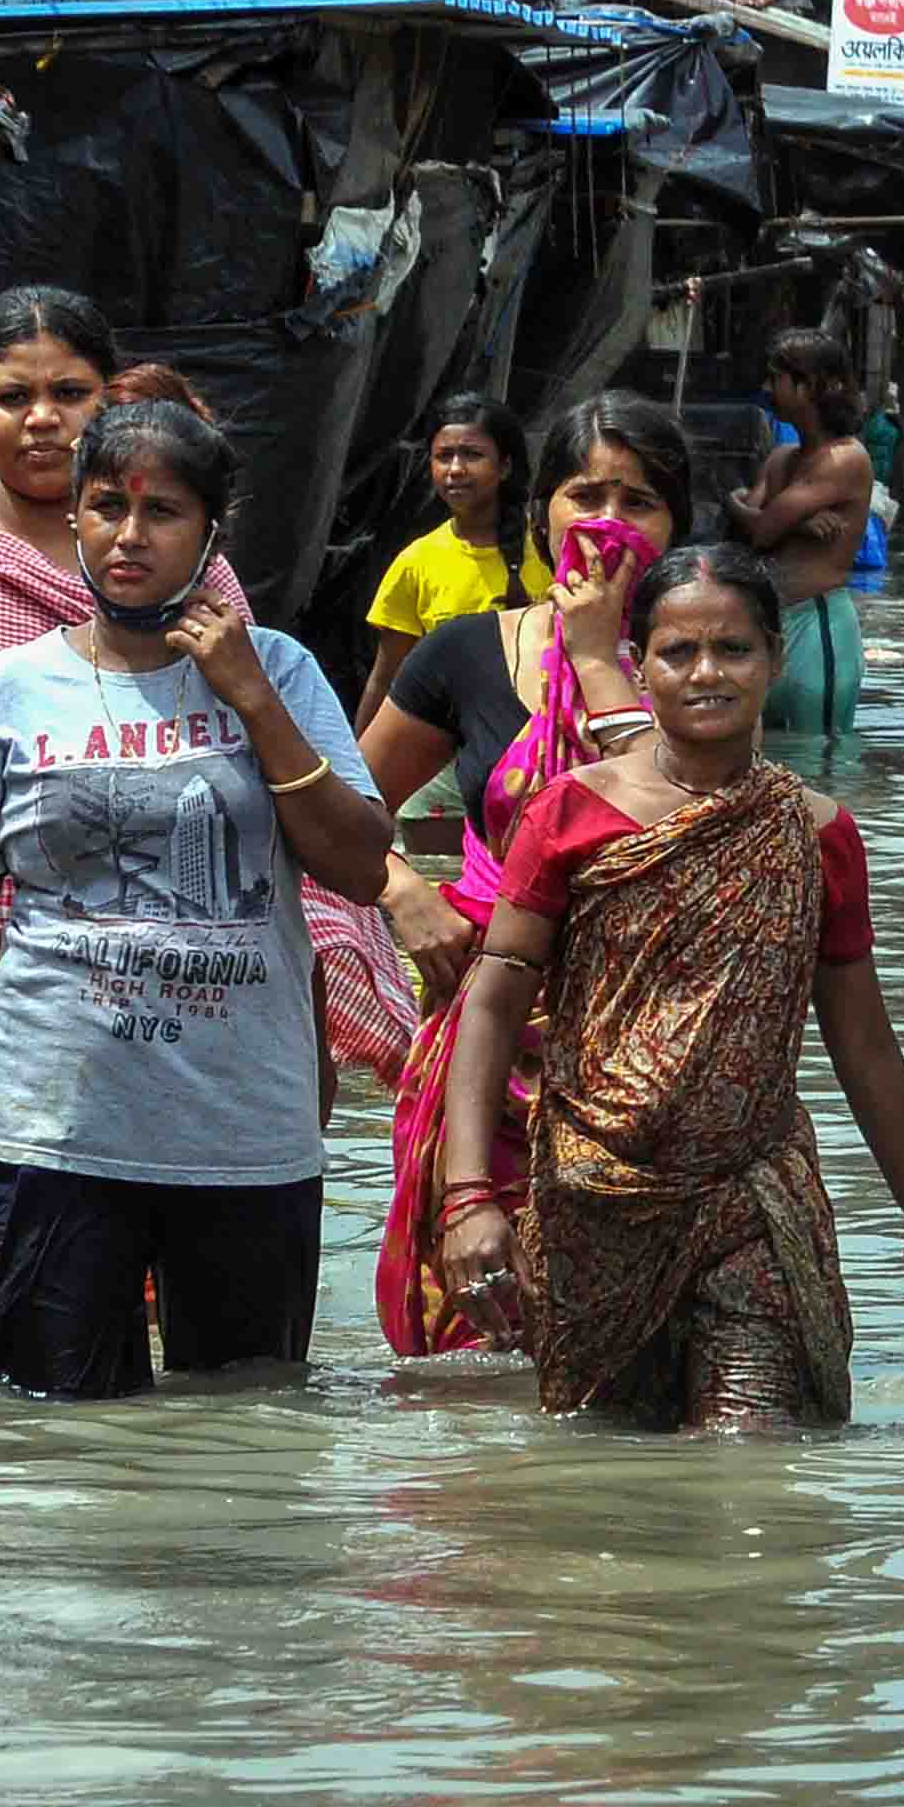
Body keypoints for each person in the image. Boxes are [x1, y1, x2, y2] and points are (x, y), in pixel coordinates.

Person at [0, 287, 407, 1316]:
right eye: (13, 395)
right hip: (5, 1018)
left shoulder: (228, 618)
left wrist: (343, 959)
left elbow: (317, 842)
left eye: (70, 392)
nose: (42, 418)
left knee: (222, 1381)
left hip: (218, 1055)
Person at [433, 544, 904, 1428]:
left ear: (776, 659)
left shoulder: (817, 833)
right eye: (679, 653)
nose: (707, 673)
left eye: (734, 650)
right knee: (602, 1477)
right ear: (637, 666)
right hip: (594, 1198)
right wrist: (467, 1197)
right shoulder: (571, 812)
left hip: (752, 1193)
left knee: (748, 1466)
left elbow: (864, 1044)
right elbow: (491, 1003)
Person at [361, 394, 689, 1354]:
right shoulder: (468, 652)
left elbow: (693, 836)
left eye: (640, 502)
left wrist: (599, 657)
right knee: (475, 1356)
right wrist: (402, 891)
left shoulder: (705, 665)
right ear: (542, 508)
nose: (609, 523)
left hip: (646, 1051)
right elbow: (339, 811)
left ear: (677, 526)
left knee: (622, 1348)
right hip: (485, 1038)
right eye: (587, 493)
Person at [360, 393, 549, 721]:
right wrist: (357, 767)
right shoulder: (416, 562)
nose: (456, 469)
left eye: (472, 455)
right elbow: (385, 680)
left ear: (504, 466)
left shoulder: (551, 550)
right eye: (444, 456)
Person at [735, 328, 877, 742]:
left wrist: (745, 506)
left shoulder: (844, 459)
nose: (768, 388)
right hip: (771, 626)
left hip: (818, 628)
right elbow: (749, 526)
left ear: (809, 385)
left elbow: (760, 528)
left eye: (776, 377)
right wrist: (789, 519)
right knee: (765, 761)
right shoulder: (782, 458)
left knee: (822, 762)